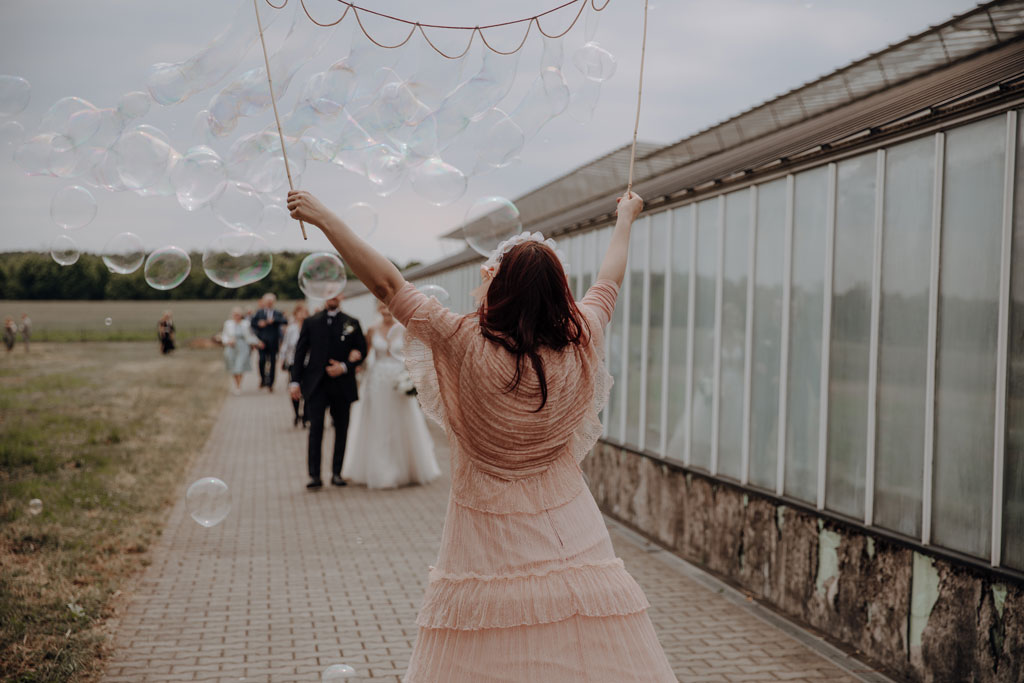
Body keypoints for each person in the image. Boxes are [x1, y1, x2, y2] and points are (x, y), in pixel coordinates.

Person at [287, 189, 676, 681]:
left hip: (485, 535)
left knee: (492, 651)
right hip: (572, 531)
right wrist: (626, 217)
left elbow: (387, 284)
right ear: (559, 292)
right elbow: (609, 279)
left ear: (501, 288)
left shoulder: (462, 340)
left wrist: (322, 215)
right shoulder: (583, 338)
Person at [341, 300, 441, 489]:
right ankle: (381, 470)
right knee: (379, 422)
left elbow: (412, 355)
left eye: (388, 308)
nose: (385, 311)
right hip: (377, 381)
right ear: (378, 310)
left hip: (398, 380)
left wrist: (411, 379)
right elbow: (365, 354)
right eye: (381, 308)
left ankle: (406, 467)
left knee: (401, 421)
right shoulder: (372, 330)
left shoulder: (403, 329)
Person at [289, 294, 367, 489]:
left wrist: (345, 366)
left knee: (341, 429)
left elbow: (362, 350)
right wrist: (295, 381)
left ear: (342, 296)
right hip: (316, 385)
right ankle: (314, 475)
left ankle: (337, 473)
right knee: (315, 429)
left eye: (336, 293)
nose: (332, 297)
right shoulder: (311, 322)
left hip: (342, 384)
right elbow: (300, 353)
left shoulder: (352, 322)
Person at [280, 302, 309, 427]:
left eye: (305, 312)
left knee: (308, 389)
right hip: (294, 362)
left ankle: (306, 416)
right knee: (295, 388)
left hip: (309, 362)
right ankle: (297, 413)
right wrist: (282, 359)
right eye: (300, 312)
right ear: (296, 314)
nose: (302, 315)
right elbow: (286, 345)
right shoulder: (291, 329)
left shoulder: (310, 327)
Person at [251, 293, 286, 391]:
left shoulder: (277, 313)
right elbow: (252, 323)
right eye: (268, 301)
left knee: (273, 362)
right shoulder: (259, 313)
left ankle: (271, 383)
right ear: (264, 302)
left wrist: (274, 320)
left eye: (271, 302)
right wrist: (259, 323)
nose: (269, 303)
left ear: (273, 302)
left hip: (273, 341)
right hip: (262, 341)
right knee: (261, 360)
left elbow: (284, 320)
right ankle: (263, 379)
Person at [222, 307, 261, 394]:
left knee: (239, 366)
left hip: (243, 347)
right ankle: (236, 383)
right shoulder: (228, 324)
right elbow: (224, 335)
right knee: (233, 367)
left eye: (238, 315)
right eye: (235, 314)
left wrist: (257, 342)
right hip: (231, 347)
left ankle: (238, 386)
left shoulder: (246, 324)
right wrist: (228, 341)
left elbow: (250, 336)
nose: (237, 316)